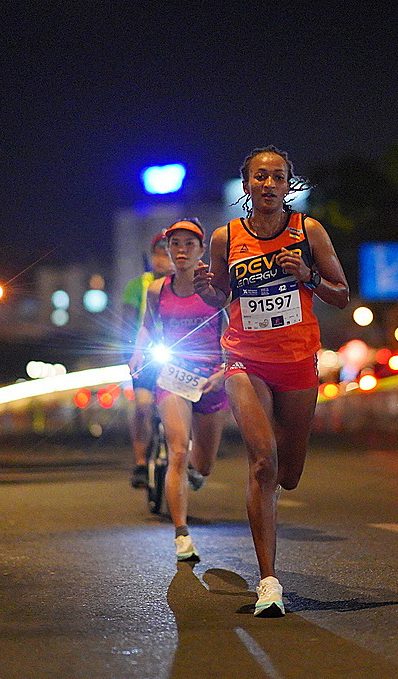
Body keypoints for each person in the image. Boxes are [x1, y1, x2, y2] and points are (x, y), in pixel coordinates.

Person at [194, 146, 349, 617]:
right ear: (246, 185)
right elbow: (221, 295)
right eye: (259, 177)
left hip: (298, 361)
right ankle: (269, 582)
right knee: (263, 461)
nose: (267, 184)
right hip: (246, 358)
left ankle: (278, 481)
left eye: (277, 177)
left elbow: (342, 296)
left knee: (289, 474)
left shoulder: (309, 231)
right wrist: (206, 290)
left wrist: (308, 276)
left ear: (288, 185)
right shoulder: (225, 237)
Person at [129, 219, 228, 563]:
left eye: (189, 244)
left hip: (210, 379)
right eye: (175, 244)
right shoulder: (157, 289)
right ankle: (182, 534)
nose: (181, 250)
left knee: (203, 465)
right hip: (172, 376)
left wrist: (225, 370)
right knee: (178, 450)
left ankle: (194, 475)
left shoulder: (217, 288)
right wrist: (138, 354)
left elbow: (233, 332)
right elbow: (146, 327)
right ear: (168, 250)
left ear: (202, 250)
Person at [122, 232, 174, 488]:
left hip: (179, 355)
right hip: (147, 355)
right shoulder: (138, 286)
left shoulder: (188, 283)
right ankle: (141, 462)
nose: (163, 260)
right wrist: (131, 351)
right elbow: (127, 321)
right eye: (158, 254)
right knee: (143, 407)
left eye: (168, 253)